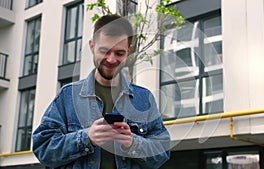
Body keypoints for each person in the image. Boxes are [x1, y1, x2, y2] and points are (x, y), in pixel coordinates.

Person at [32, 15, 170, 169]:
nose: (111, 60)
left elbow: (162, 152)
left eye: (119, 53)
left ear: (129, 51)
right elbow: (42, 149)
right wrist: (86, 138)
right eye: (104, 51)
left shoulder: (144, 98)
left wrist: (132, 143)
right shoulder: (67, 96)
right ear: (92, 46)